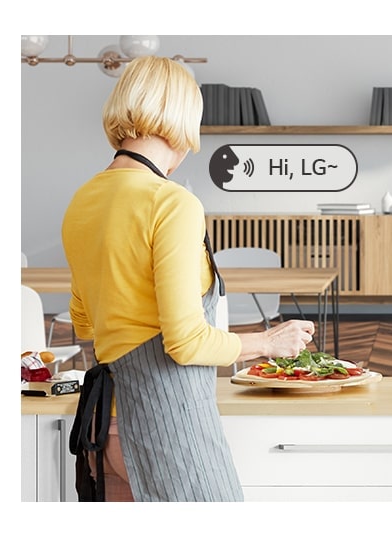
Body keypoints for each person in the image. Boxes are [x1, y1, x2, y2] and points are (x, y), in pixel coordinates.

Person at [61, 56, 314, 502]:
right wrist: (268, 343)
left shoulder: (83, 201)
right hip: (168, 430)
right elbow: (187, 342)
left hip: (105, 432)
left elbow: (85, 324)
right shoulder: (172, 203)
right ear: (180, 120)